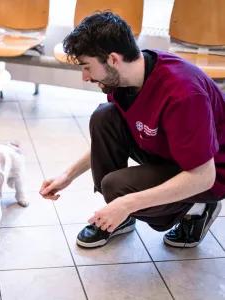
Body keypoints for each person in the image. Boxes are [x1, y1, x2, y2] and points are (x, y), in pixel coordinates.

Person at [40, 12, 224, 249]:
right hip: (167, 150)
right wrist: (68, 175)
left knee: (116, 186)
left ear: (113, 59)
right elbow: (110, 136)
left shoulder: (183, 94)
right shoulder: (125, 79)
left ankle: (197, 209)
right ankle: (118, 218)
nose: (85, 77)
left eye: (87, 67)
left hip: (207, 174)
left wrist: (126, 203)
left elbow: (204, 176)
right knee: (104, 117)